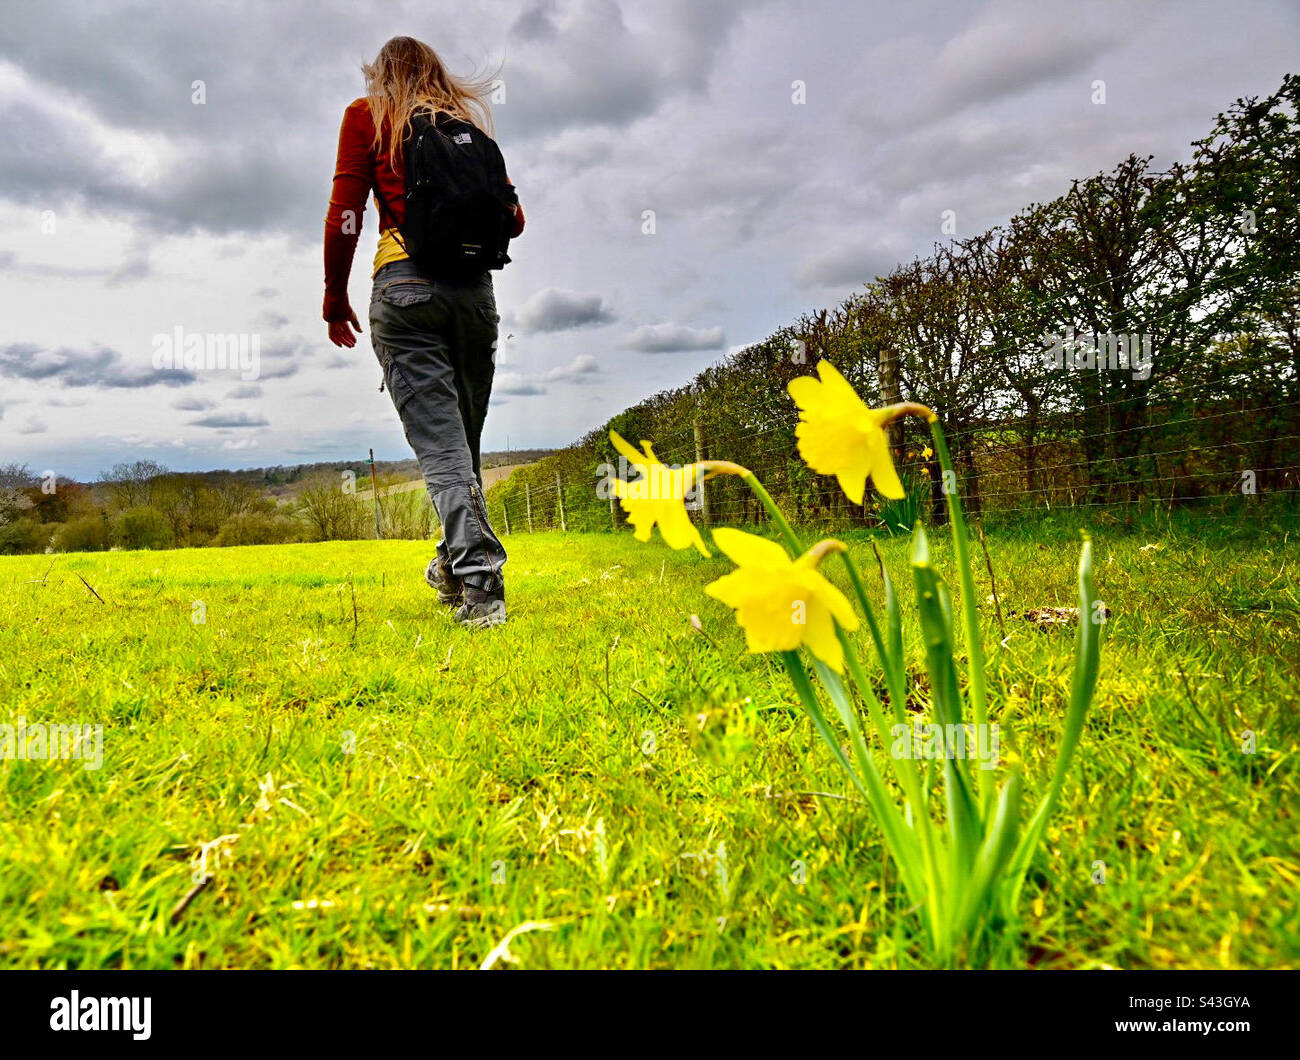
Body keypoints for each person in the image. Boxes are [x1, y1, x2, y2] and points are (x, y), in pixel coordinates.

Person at [323, 36, 523, 628]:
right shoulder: (467, 127)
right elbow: (514, 219)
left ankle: (480, 582)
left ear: (379, 75)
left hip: (405, 286)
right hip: (473, 295)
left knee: (441, 446)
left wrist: (335, 296)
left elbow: (347, 213)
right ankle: (450, 562)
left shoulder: (367, 117)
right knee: (460, 443)